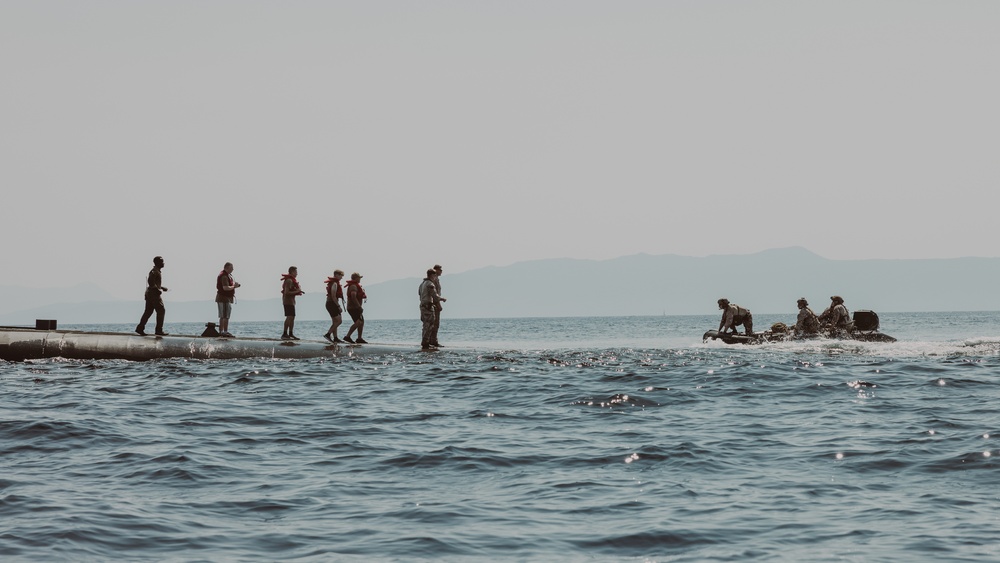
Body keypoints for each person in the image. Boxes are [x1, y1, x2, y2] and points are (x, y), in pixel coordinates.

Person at [136, 256, 169, 336]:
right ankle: (159, 330)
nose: (163, 263)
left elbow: (153, 283)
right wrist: (157, 289)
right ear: (157, 262)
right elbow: (150, 281)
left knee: (148, 311)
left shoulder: (156, 271)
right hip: (154, 295)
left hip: (150, 294)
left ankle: (140, 328)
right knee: (161, 310)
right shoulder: (154, 271)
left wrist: (161, 287)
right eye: (161, 261)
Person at [216, 262, 241, 337]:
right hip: (224, 298)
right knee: (225, 316)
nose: (233, 269)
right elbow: (225, 288)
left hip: (222, 298)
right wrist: (234, 286)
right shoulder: (224, 276)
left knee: (222, 316)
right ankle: (224, 331)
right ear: (227, 268)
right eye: (231, 268)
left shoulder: (226, 275)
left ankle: (221, 331)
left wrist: (234, 285)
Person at [419, 269, 441, 349]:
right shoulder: (430, 284)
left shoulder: (422, 284)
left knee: (425, 324)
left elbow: (419, 294)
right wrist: (442, 299)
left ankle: (425, 342)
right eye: (435, 276)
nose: (435, 277)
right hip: (428, 306)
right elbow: (434, 295)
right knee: (429, 324)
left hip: (423, 306)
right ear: (432, 275)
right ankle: (426, 342)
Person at [280, 266, 304, 340]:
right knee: (289, 317)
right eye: (296, 272)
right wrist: (298, 291)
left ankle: (290, 333)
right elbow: (287, 292)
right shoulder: (289, 281)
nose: (297, 274)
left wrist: (298, 291)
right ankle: (284, 333)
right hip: (287, 302)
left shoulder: (292, 280)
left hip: (291, 302)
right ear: (292, 272)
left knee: (292, 317)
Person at [343, 272, 368, 344]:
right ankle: (347, 336)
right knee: (358, 322)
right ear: (355, 278)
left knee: (361, 322)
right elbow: (353, 296)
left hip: (356, 308)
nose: (360, 279)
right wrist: (358, 306)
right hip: (353, 308)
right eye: (359, 277)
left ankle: (359, 338)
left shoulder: (356, 285)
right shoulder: (353, 286)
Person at [323, 269, 346, 343]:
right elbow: (333, 296)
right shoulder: (334, 284)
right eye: (340, 276)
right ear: (336, 275)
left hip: (330, 303)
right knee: (339, 321)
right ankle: (328, 334)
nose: (341, 278)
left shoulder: (334, 283)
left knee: (335, 321)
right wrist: (338, 306)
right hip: (332, 304)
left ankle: (335, 338)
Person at [429, 264, 448, 347]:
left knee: (435, 323)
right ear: (436, 270)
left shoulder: (436, 280)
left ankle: (433, 340)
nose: (441, 271)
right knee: (435, 323)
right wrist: (438, 303)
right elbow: (434, 294)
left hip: (435, 302)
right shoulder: (434, 280)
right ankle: (433, 340)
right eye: (440, 270)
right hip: (434, 303)